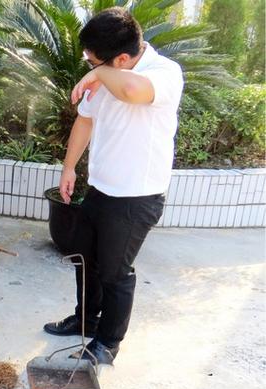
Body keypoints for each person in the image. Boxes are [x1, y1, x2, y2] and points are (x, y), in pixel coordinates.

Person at [43, 8, 184, 365]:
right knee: (84, 260)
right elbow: (85, 121)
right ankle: (86, 321)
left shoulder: (163, 72)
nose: (89, 66)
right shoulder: (107, 75)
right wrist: (69, 167)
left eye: (94, 60)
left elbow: (135, 91)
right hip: (100, 191)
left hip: (136, 199)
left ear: (121, 58)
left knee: (115, 273)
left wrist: (99, 73)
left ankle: (108, 344)